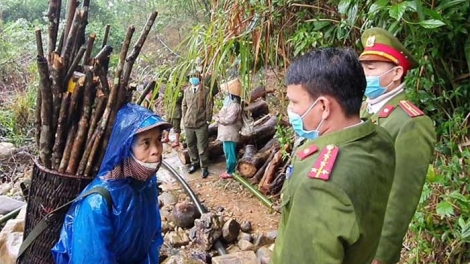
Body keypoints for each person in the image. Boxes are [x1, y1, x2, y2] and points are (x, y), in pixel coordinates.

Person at [270, 48, 396, 264]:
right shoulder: (379, 140)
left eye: (294, 102)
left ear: (323, 106)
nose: (290, 110)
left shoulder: (319, 185)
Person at [52, 103, 171, 264]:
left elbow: (152, 238)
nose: (156, 149)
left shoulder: (146, 185)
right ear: (126, 148)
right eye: (146, 143)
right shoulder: (97, 203)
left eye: (158, 140)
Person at [358, 27, 436, 264]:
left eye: (371, 68)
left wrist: (381, 253)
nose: (364, 74)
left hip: (371, 245)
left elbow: (401, 198)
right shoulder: (363, 110)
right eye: (362, 67)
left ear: (396, 73)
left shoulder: (410, 123)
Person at [182, 70, 213, 178]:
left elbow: (209, 106)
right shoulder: (187, 91)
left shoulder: (205, 91)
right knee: (190, 145)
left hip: (201, 123)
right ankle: (194, 163)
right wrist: (184, 119)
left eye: (194, 76)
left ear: (199, 78)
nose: (192, 79)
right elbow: (184, 106)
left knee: (202, 146)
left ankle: (204, 167)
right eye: (191, 77)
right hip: (188, 123)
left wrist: (208, 119)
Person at [217, 78, 243, 179]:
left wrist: (219, 119)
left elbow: (229, 119)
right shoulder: (230, 104)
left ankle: (230, 171)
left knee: (230, 152)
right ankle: (230, 169)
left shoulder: (235, 106)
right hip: (227, 133)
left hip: (230, 133)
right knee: (227, 151)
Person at [162, 83, 184, 148]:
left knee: (176, 127)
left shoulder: (180, 92)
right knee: (167, 125)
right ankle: (166, 137)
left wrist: (173, 93)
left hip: (176, 112)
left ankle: (177, 141)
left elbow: (177, 100)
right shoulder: (169, 91)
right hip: (170, 111)